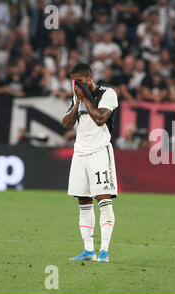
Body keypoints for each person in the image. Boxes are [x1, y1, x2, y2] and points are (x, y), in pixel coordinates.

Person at [62, 63, 118, 262]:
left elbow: (101, 119)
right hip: (80, 153)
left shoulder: (107, 93)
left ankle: (104, 251)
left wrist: (85, 98)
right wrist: (78, 102)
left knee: (103, 201)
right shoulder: (77, 98)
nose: (75, 85)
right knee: (83, 201)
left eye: (78, 81)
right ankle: (88, 250)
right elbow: (66, 124)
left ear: (88, 78)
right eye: (73, 82)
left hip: (99, 152)